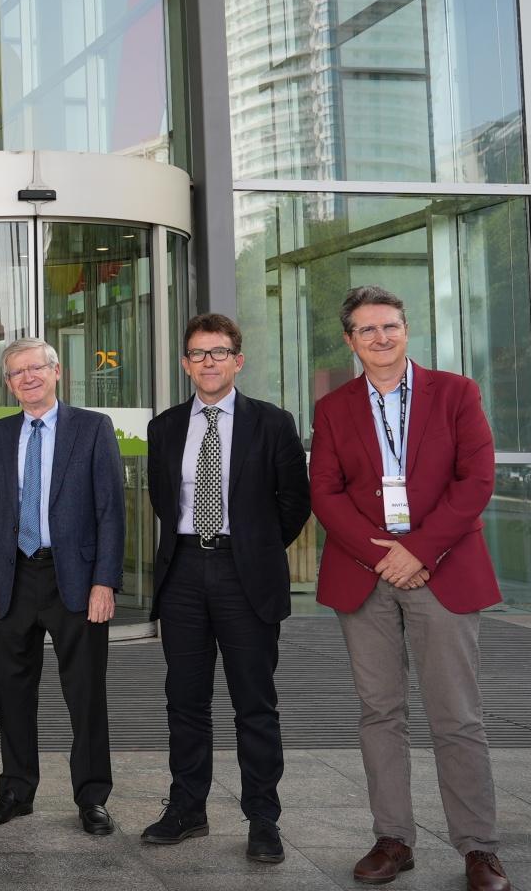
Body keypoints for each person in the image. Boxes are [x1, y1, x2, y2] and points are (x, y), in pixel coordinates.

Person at [309, 286, 511, 891]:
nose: (381, 338)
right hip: (367, 576)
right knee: (380, 712)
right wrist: (387, 557)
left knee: (457, 716)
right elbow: (326, 492)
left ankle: (478, 848)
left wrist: (418, 552)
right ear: (350, 340)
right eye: (367, 331)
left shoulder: (455, 393)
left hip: (442, 570)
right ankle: (393, 839)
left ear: (407, 328)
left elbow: (476, 479)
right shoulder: (333, 406)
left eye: (390, 326)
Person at [141, 314, 310, 864]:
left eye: (219, 352)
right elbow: (164, 502)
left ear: (239, 360)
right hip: (185, 572)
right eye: (197, 353)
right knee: (184, 701)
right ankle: (187, 808)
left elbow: (294, 503)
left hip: (246, 576)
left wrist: (255, 547)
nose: (208, 362)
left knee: (254, 704)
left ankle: (263, 817)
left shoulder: (273, 422)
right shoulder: (164, 427)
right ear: (185, 364)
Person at [0, 338, 124, 836]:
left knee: (86, 693)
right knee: (11, 692)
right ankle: (16, 789)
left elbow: (110, 513)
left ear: (57, 372)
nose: (28, 377)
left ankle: (93, 797)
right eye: (17, 372)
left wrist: (105, 581)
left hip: (74, 579)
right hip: (12, 577)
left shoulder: (93, 428)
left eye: (37, 368)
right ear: (8, 383)